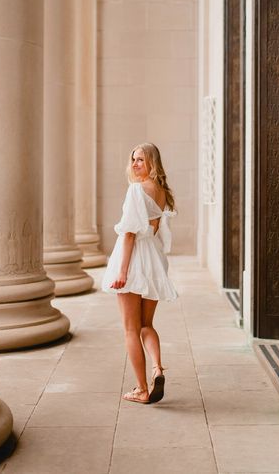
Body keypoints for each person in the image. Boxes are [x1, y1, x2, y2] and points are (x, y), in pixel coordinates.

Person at [102, 143, 178, 404]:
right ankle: (157, 368)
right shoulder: (161, 192)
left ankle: (142, 389)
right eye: (133, 159)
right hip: (153, 260)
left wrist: (122, 272)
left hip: (134, 260)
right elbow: (157, 230)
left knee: (130, 330)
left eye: (141, 160)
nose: (135, 164)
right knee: (146, 325)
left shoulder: (137, 190)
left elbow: (130, 233)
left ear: (152, 163)